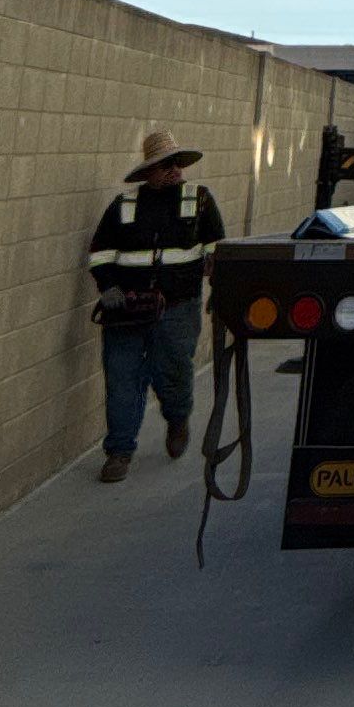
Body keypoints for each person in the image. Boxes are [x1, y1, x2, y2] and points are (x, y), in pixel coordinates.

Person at [86, 129, 227, 484]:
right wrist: (109, 288)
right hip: (126, 312)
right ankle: (119, 451)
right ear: (148, 171)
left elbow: (216, 250)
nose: (174, 171)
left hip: (178, 310)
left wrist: (218, 282)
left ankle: (177, 418)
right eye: (165, 165)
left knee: (173, 373)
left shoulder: (200, 201)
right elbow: (100, 253)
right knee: (122, 379)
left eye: (176, 164)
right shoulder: (124, 207)